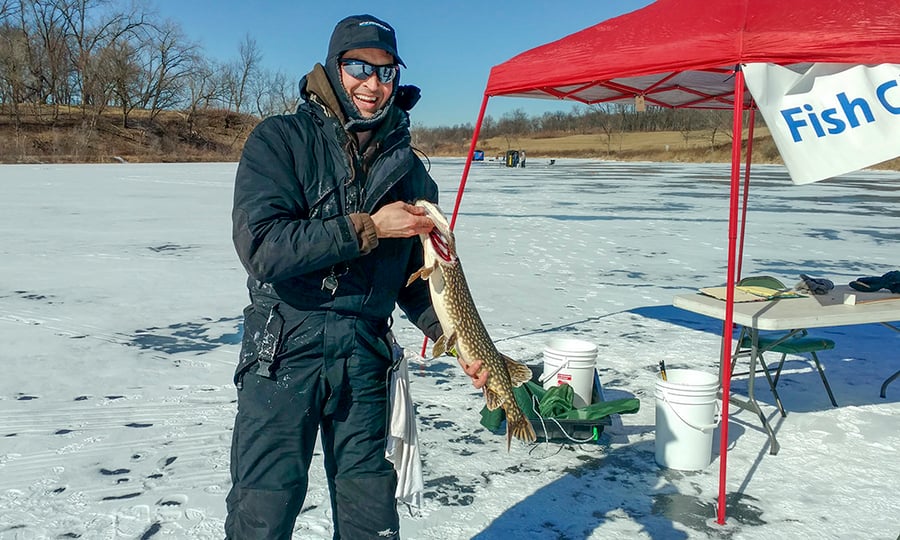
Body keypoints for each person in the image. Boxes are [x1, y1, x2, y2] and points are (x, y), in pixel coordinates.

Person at [225, 14, 485, 540]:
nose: (373, 84)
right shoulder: (280, 140)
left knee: (371, 517)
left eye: (386, 72)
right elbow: (264, 247)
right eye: (359, 67)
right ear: (334, 67)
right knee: (263, 512)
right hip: (284, 345)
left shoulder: (409, 169)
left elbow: (419, 275)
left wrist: (458, 340)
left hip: (363, 353)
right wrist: (367, 228)